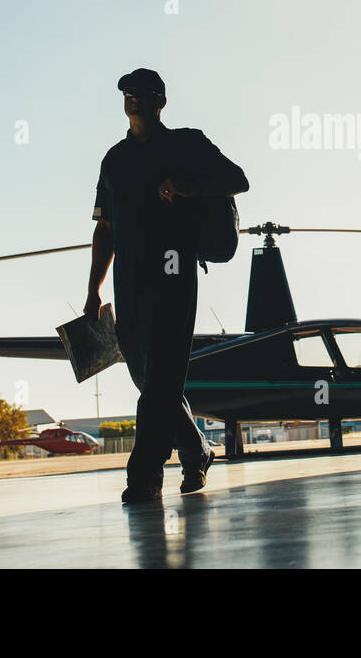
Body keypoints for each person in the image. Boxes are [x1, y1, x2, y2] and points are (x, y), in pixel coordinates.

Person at [85, 68, 249, 502]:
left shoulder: (187, 144)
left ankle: (144, 476)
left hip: (174, 274)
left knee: (161, 379)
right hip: (129, 282)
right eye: (128, 93)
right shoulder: (114, 161)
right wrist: (92, 291)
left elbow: (238, 179)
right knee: (154, 383)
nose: (135, 99)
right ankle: (197, 451)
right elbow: (105, 230)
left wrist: (188, 187)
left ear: (161, 102)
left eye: (145, 94)